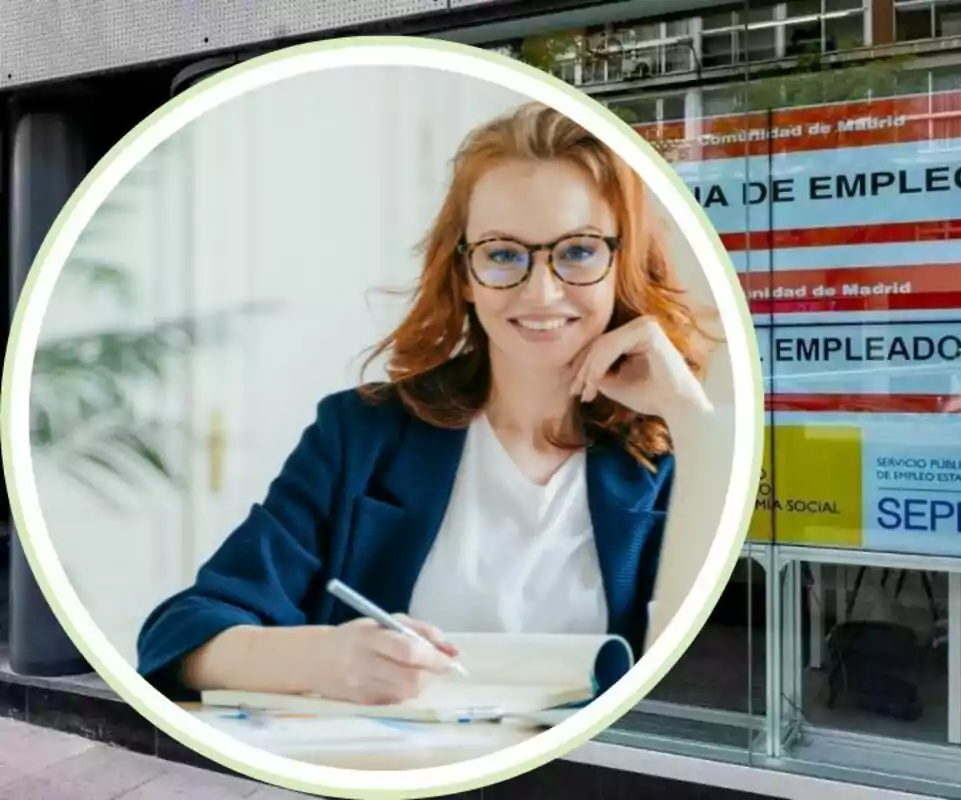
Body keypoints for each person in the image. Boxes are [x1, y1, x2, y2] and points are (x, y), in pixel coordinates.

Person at [136, 102, 718, 706]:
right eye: (502, 254)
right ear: (463, 272)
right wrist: (322, 657)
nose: (542, 291)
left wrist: (692, 421)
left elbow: (739, 675)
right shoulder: (361, 436)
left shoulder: (675, 455)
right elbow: (178, 635)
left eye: (577, 251)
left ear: (620, 263)